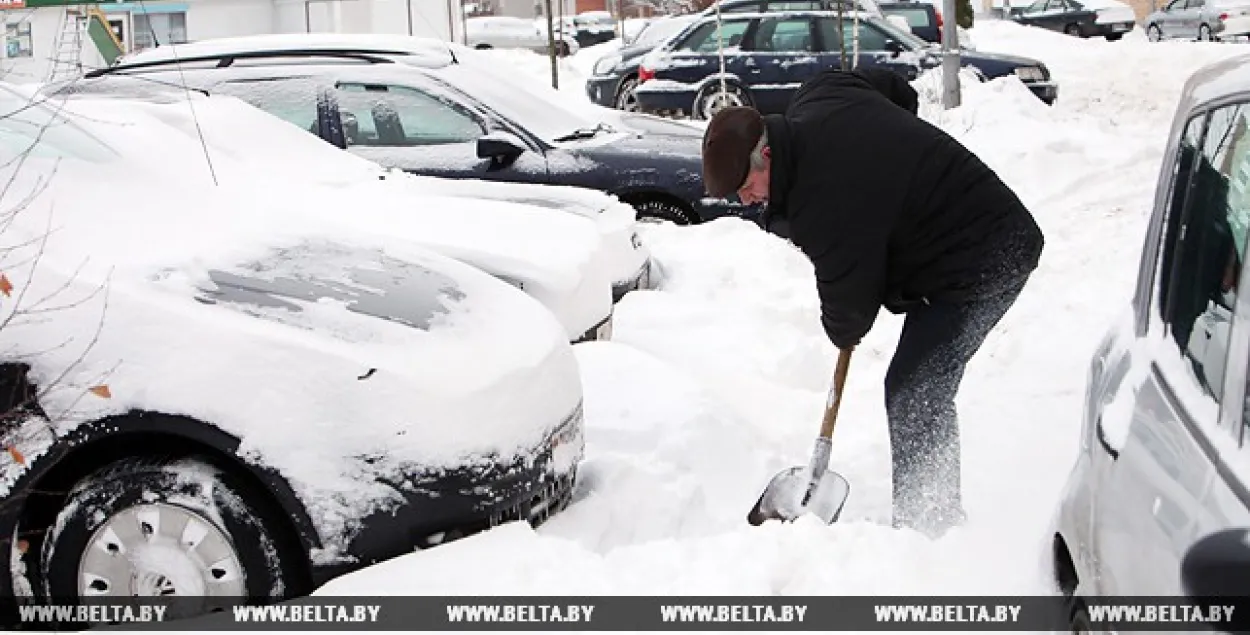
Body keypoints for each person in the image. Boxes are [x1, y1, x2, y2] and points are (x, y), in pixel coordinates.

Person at [701, 67, 1044, 538]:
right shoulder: (820, 91)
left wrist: (890, 178)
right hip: (948, 249)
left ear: (768, 153)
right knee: (913, 382)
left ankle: (932, 526)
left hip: (990, 256)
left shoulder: (824, 202)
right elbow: (894, 89)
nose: (747, 201)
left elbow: (850, 312)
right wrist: (895, 168)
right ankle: (929, 517)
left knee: (915, 389)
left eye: (746, 188)